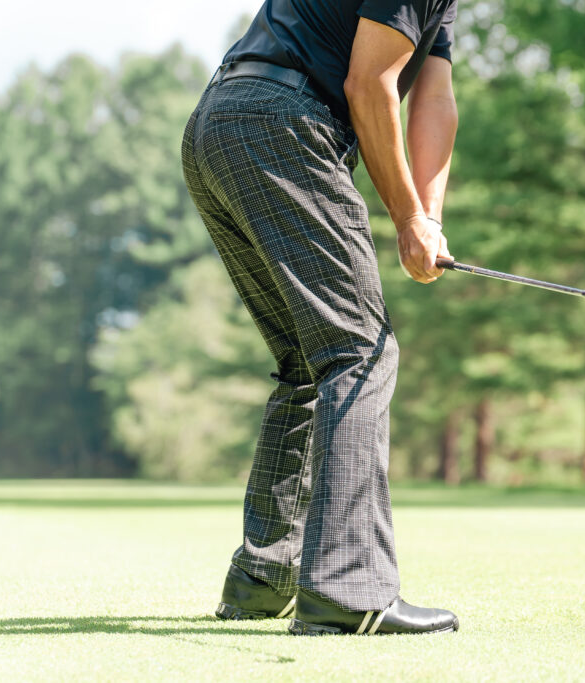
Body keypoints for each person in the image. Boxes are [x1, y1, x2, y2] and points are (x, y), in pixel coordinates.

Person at [180, 0, 459, 636]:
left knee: (309, 360)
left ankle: (264, 577)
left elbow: (434, 95)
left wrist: (429, 217)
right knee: (359, 351)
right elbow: (370, 84)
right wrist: (406, 219)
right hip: (281, 124)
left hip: (220, 124)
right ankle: (347, 589)